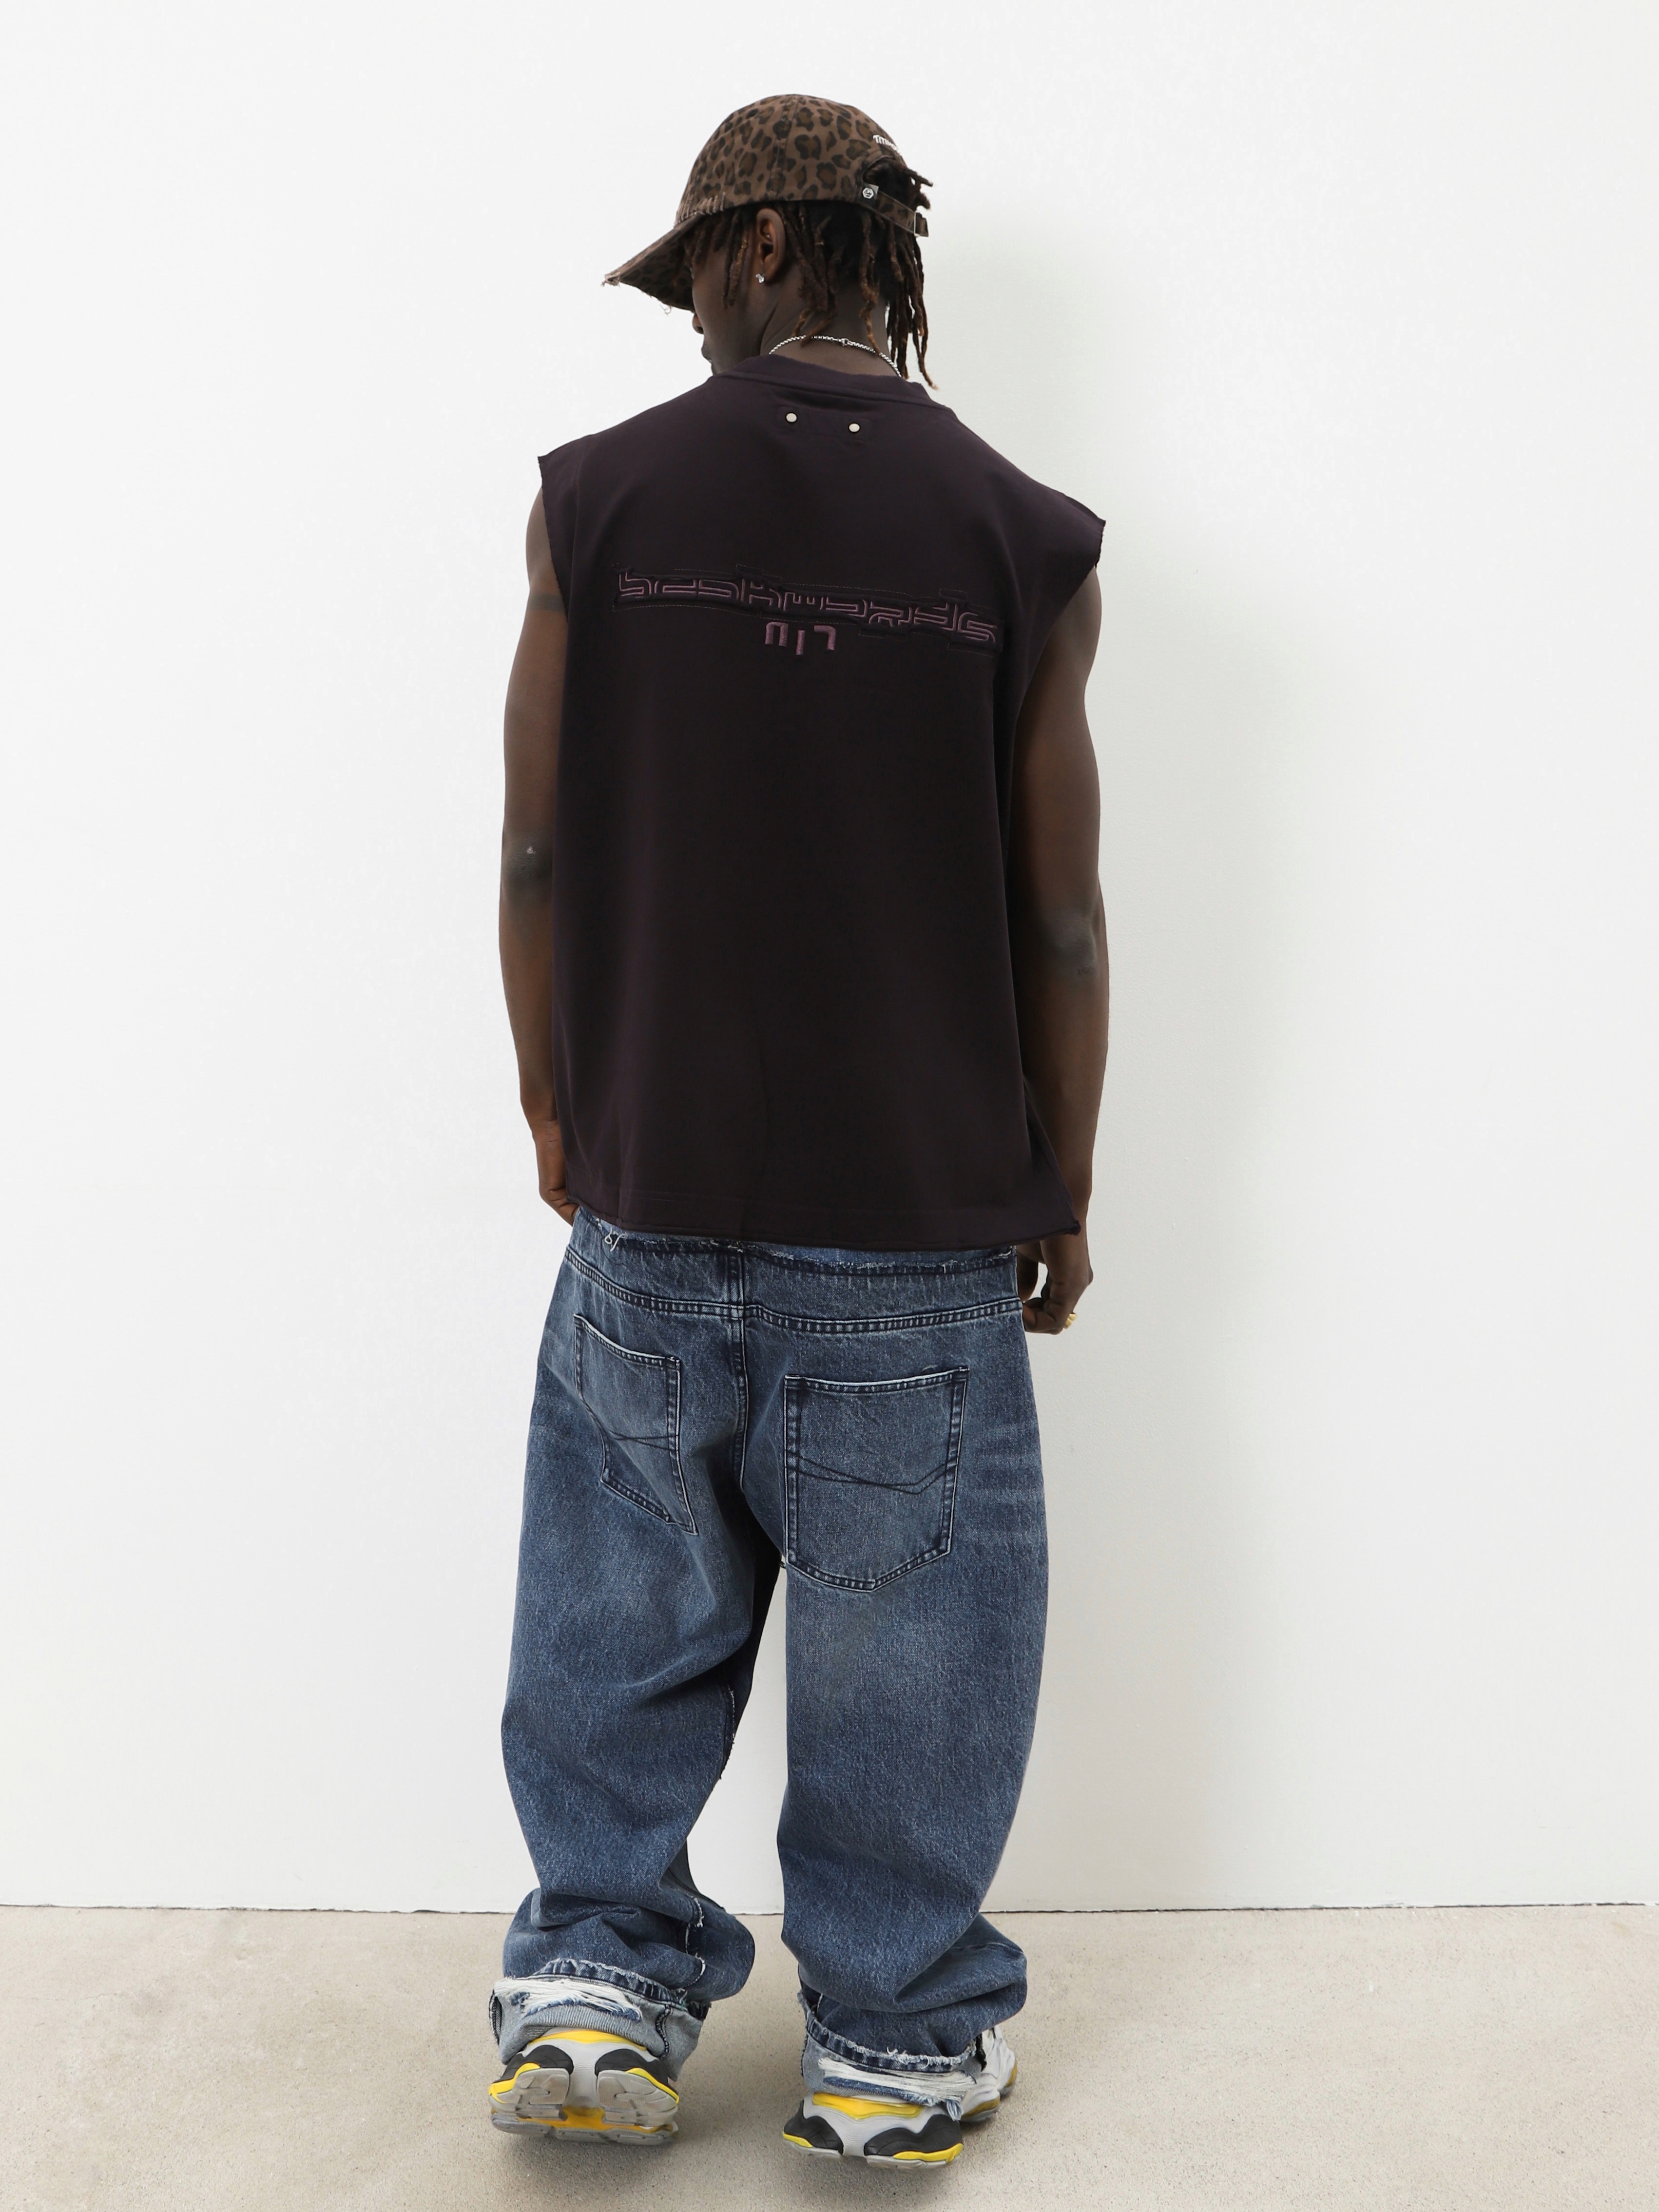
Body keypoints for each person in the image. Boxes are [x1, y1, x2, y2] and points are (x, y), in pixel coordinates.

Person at [489, 94, 1107, 2169]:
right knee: (912, 1651)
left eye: (692, 278)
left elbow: (534, 846)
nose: (686, 322)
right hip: (914, 1232)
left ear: (761, 244)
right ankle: (896, 2036)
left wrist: (554, 1091)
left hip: (652, 1199)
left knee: (616, 1611)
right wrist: (1063, 1180)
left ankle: (594, 1980)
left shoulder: (597, 499)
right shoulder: (1020, 537)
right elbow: (1059, 913)